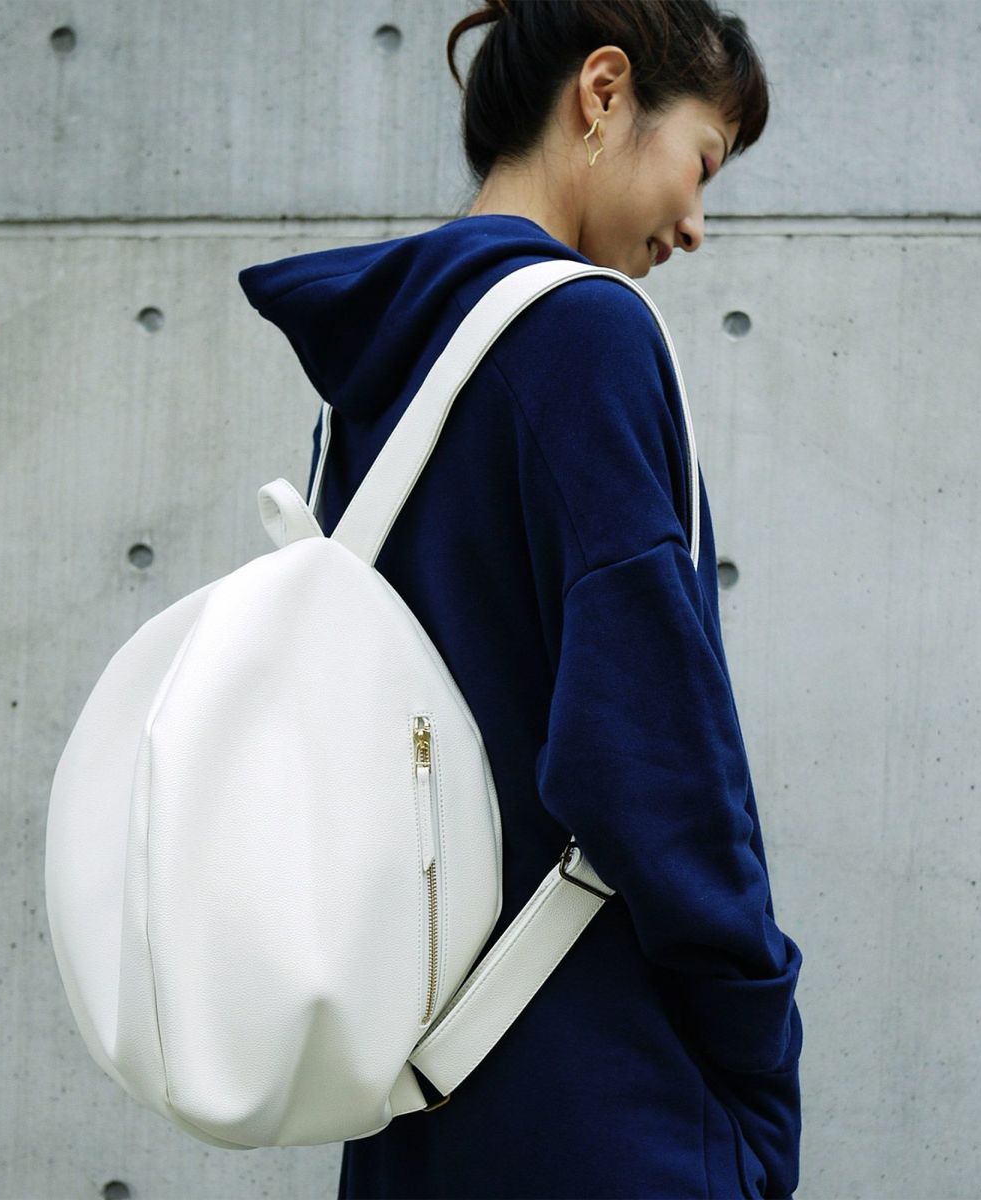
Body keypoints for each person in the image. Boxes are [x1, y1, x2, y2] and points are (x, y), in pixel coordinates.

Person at [236, 1, 803, 1195]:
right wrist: (759, 1041)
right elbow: (649, 748)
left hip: (411, 1092)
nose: (695, 226)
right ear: (603, 92)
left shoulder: (380, 378)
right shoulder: (584, 334)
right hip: (604, 1091)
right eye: (702, 162)